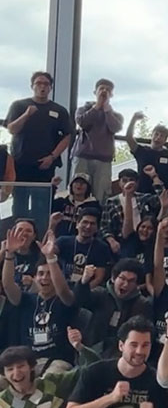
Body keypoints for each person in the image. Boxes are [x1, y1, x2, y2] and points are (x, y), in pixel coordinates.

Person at [1, 228, 80, 379]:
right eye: (41, 274)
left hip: (58, 361)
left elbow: (62, 289)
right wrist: (9, 254)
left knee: (48, 382)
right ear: (35, 277)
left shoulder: (65, 299)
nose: (45, 278)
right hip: (26, 361)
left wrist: (50, 258)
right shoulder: (26, 299)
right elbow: (7, 285)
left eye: (49, 274)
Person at [5, 71, 73, 225]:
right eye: (39, 83)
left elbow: (67, 136)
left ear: (51, 88)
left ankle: (40, 238)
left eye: (46, 84)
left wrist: (52, 157)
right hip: (20, 164)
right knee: (19, 204)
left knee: (41, 205)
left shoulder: (59, 110)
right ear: (32, 86)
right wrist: (27, 115)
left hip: (45, 165)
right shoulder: (19, 105)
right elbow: (12, 129)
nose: (42, 87)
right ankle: (18, 237)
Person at [71, 79, 123, 204]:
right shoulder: (83, 109)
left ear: (111, 95)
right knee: (78, 191)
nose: (104, 91)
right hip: (83, 156)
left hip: (104, 159)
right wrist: (97, 106)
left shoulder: (116, 115)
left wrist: (107, 110)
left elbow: (115, 127)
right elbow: (82, 122)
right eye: (101, 89)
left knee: (101, 194)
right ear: (95, 92)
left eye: (108, 90)